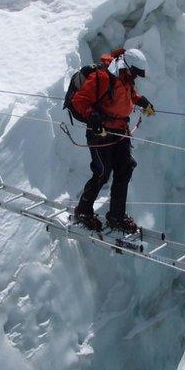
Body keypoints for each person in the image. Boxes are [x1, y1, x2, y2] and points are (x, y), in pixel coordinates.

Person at [72, 48, 155, 233]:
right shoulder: (101, 78)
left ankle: (116, 216)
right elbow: (80, 101)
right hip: (100, 132)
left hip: (120, 132)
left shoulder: (125, 78)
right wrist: (92, 117)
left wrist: (142, 101)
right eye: (134, 73)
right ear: (125, 66)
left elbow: (128, 95)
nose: (135, 77)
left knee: (124, 169)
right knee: (102, 172)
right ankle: (83, 211)